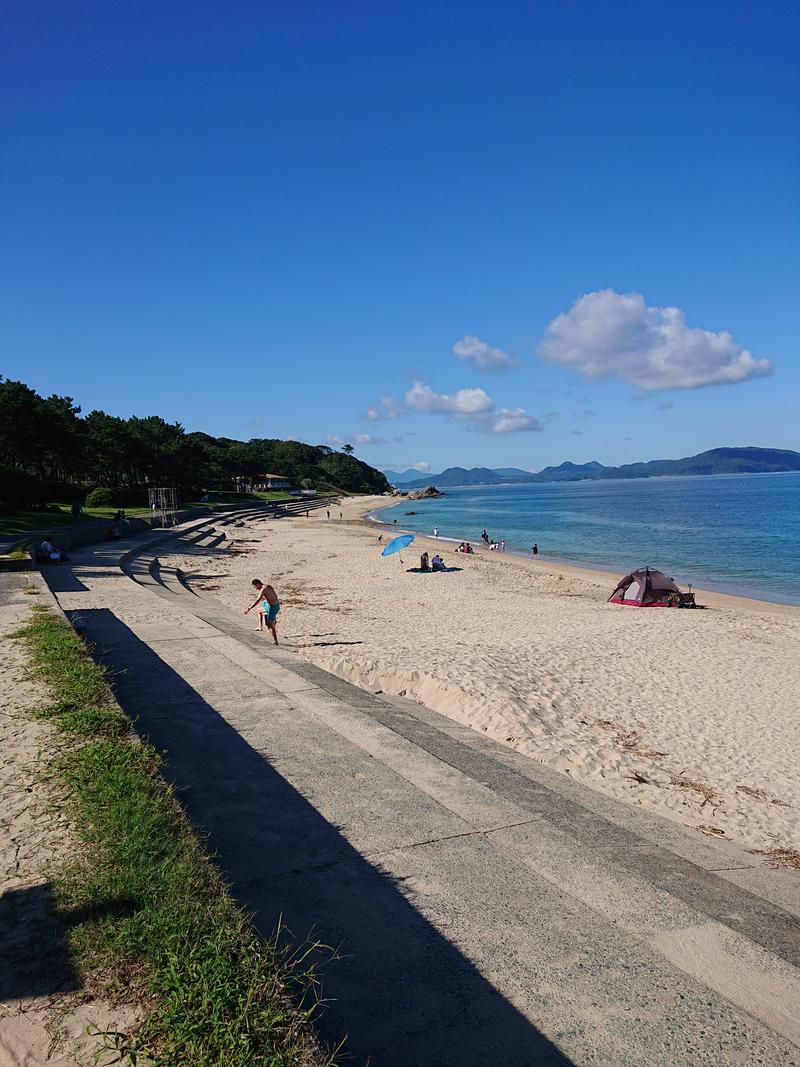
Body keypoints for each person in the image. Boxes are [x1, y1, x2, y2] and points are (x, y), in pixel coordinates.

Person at [245, 579, 281, 644]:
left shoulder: (263, 589)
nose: (255, 588)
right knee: (259, 611)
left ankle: (275, 641)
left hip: (273, 607)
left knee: (269, 625)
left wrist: (249, 608)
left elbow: (257, 600)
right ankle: (260, 626)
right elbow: (272, 595)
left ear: (258, 584)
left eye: (255, 587)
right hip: (271, 605)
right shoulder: (268, 586)